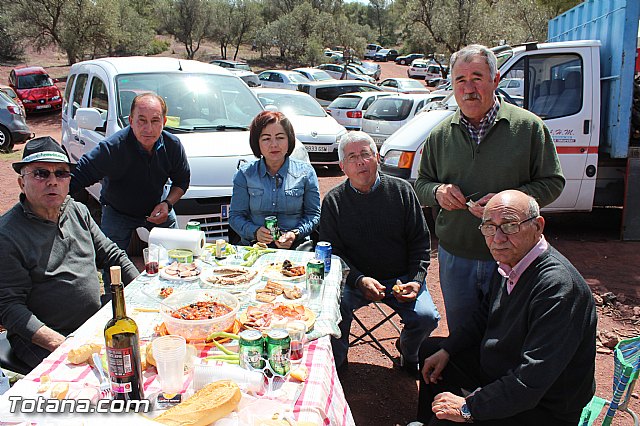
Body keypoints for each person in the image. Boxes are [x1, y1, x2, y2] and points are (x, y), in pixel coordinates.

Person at [414, 44, 565, 333]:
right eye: (460, 80)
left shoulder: (529, 128)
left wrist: (510, 202)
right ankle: (467, 380)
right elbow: (422, 184)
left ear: (496, 80)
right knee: (461, 332)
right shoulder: (439, 135)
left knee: (509, 335)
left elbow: (553, 182)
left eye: (477, 77)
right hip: (457, 256)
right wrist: (438, 192)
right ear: (452, 85)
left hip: (515, 255)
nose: (468, 88)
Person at [414, 190, 596, 425]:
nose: (498, 238)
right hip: (503, 368)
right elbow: (483, 316)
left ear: (538, 226)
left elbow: (531, 380)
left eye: (510, 226)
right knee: (431, 353)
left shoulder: (558, 288)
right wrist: (448, 348)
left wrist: (469, 408)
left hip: (543, 406)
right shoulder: (511, 262)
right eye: (489, 227)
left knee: (446, 420)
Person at [0, 137, 139, 369]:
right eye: (40, 174)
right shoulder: (7, 234)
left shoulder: (77, 210)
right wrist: (62, 344)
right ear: (21, 183)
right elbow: (11, 308)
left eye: (61, 173)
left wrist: (142, 290)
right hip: (43, 339)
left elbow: (113, 256)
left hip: (91, 324)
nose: (52, 181)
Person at [320, 131, 440, 376]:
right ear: (343, 166)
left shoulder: (402, 191)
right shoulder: (333, 201)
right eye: (352, 157)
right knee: (332, 310)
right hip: (353, 281)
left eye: (366, 154)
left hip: (401, 279)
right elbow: (333, 254)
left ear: (377, 158)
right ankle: (337, 365)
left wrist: (415, 282)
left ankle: (409, 354)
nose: (360, 161)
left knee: (427, 317)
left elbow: (420, 243)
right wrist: (358, 279)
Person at [70, 92, 190, 253]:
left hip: (158, 207)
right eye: (142, 120)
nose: (148, 128)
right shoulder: (112, 148)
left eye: (155, 121)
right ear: (131, 121)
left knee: (177, 256)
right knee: (111, 263)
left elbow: (182, 181)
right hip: (117, 211)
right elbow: (77, 176)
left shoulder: (173, 145)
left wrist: (167, 204)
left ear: (164, 121)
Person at [229, 111, 320, 249]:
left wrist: (295, 233)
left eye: (280, 137)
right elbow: (235, 217)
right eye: (266, 139)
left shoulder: (306, 173)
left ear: (289, 140)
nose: (274, 144)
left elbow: (313, 215)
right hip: (255, 246)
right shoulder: (245, 174)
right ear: (257, 143)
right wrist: (255, 232)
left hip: (297, 246)